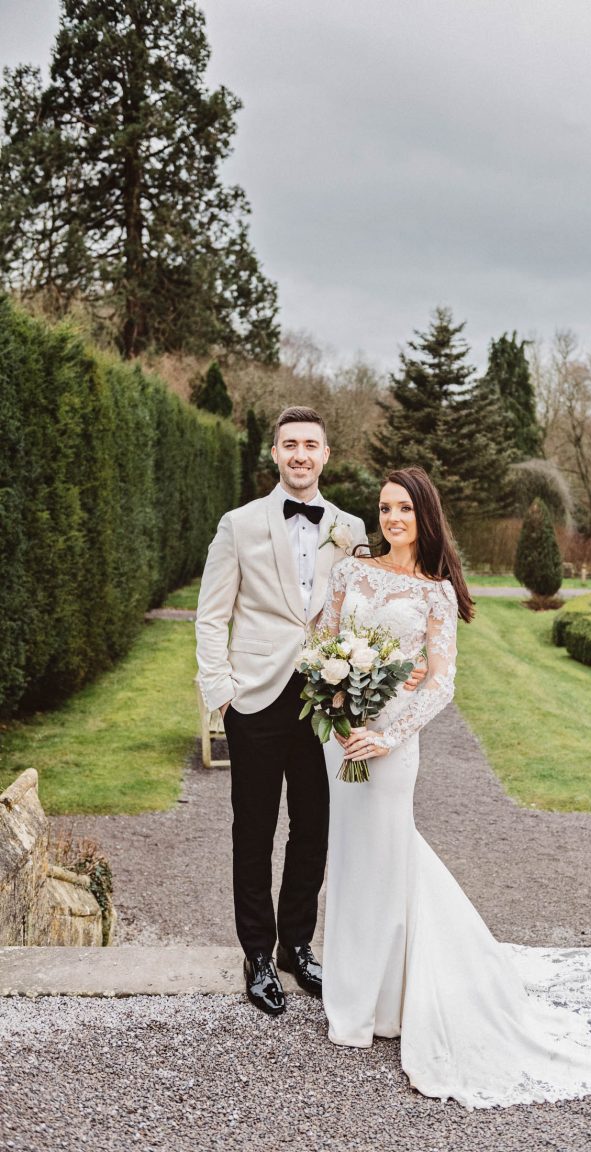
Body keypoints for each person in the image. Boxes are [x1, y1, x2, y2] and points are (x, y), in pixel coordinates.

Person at [316, 466, 591, 1109]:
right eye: (384, 509)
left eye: (404, 510)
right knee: (352, 855)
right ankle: (354, 993)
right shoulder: (349, 574)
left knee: (388, 855)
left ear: (425, 517)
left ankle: (384, 1003)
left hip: (392, 743)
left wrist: (388, 735)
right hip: (342, 737)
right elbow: (324, 640)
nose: (391, 520)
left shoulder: (436, 593)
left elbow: (440, 682)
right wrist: (337, 706)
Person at [194, 406, 369, 1016]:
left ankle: (298, 942)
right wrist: (220, 690)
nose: (300, 454)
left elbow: (361, 613)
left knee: (314, 826)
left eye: (311, 445)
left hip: (325, 699)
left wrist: (361, 685)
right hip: (257, 696)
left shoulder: (349, 527)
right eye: (290, 444)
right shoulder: (238, 525)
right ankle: (258, 953)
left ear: (326, 455)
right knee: (254, 827)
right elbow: (212, 614)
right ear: (275, 453)